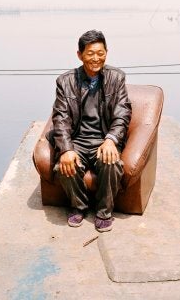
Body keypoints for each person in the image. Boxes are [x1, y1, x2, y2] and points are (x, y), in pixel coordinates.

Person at [49, 29, 132, 232]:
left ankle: (104, 212)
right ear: (80, 55)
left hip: (103, 138)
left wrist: (112, 140)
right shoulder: (65, 81)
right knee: (64, 167)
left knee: (111, 162)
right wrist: (67, 149)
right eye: (90, 53)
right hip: (77, 140)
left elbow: (123, 113)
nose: (96, 58)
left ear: (106, 52)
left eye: (100, 53)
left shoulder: (117, 77)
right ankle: (79, 206)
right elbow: (60, 118)